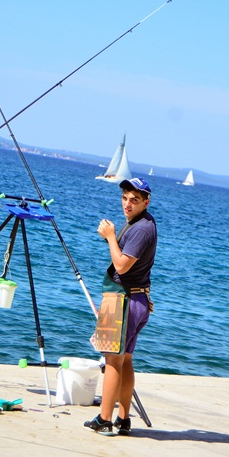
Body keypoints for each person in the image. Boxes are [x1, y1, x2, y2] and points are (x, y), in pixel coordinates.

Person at [85, 177, 157, 436]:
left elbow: (122, 266)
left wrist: (111, 236)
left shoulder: (140, 229)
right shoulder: (142, 223)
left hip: (126, 300)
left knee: (113, 360)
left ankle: (105, 419)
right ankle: (123, 419)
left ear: (146, 202)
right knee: (125, 361)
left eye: (134, 200)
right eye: (125, 198)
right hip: (137, 299)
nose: (127, 203)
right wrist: (113, 239)